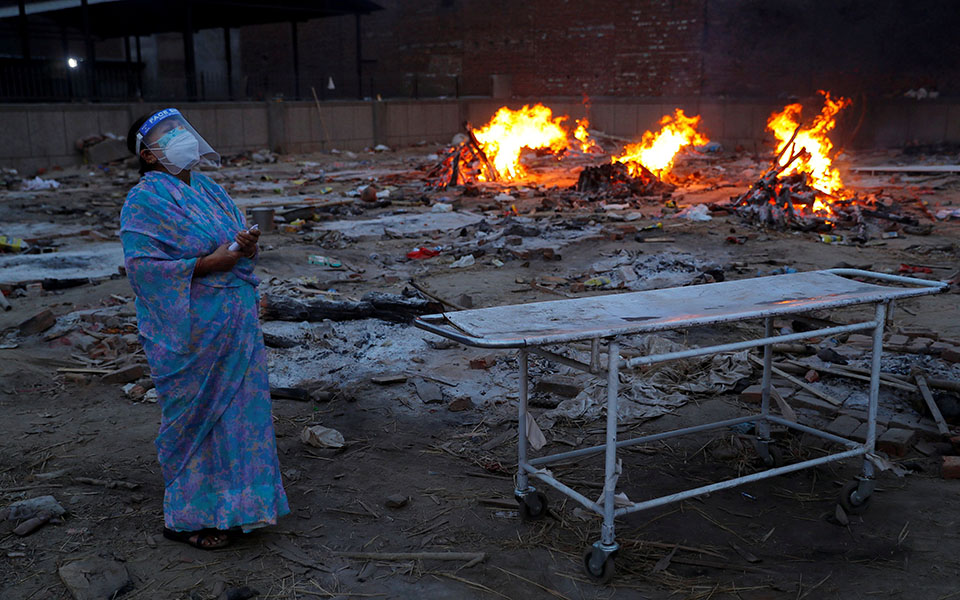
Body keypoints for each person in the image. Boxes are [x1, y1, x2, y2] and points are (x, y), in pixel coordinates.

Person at [121, 108, 289, 549]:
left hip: (236, 327)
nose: (181, 137)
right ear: (149, 155)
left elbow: (235, 244)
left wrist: (245, 246)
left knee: (241, 419)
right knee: (200, 422)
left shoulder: (210, 189)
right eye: (167, 134)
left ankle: (240, 510)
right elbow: (143, 270)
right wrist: (208, 264)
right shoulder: (144, 201)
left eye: (181, 129)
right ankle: (190, 518)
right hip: (193, 332)